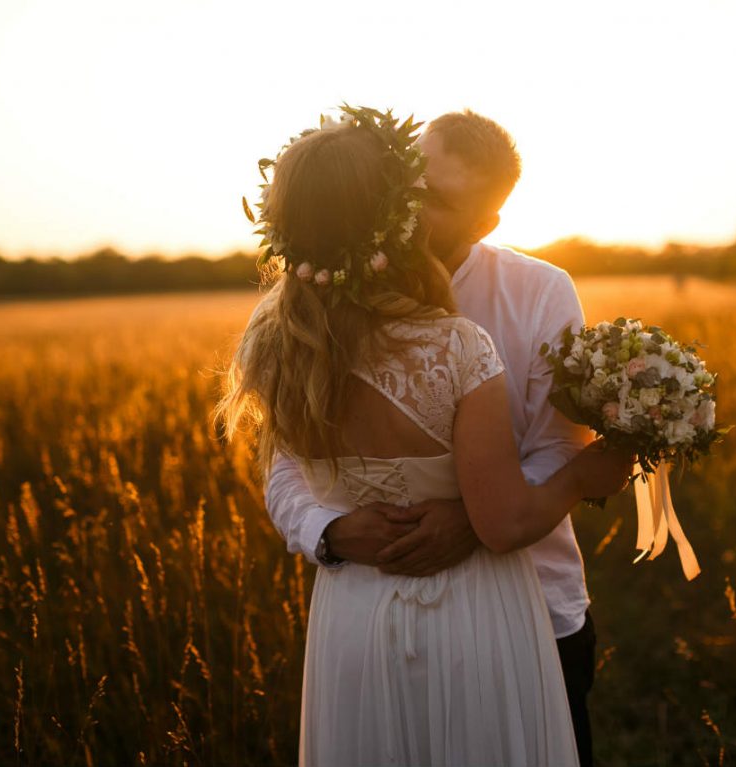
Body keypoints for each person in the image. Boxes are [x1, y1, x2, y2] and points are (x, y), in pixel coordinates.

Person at [221, 105, 630, 766]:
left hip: (533, 605)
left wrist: (471, 516)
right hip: (367, 600)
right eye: (406, 186)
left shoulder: (540, 290)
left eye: (435, 201)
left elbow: (559, 442)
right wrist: (328, 530)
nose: (411, 209)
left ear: (487, 221)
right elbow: (286, 467)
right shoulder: (302, 318)